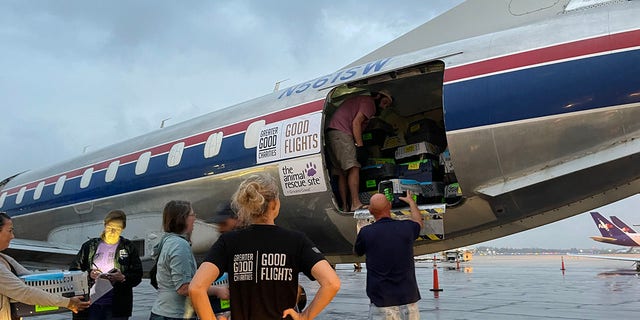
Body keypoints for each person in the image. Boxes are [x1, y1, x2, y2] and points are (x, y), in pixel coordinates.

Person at [189, 173, 341, 320]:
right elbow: (331, 283)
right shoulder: (296, 240)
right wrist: (305, 316)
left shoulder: (228, 241)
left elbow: (196, 288)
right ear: (274, 204)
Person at [0, 212, 90, 320]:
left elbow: (33, 282)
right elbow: (25, 292)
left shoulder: (5, 259)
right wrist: (68, 303)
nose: (12, 236)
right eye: (9, 231)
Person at [354, 191, 424, 320]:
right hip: (408, 299)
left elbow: (358, 252)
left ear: (370, 210)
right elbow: (418, 222)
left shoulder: (366, 233)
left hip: (382, 301)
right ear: (390, 206)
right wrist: (411, 203)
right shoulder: (406, 228)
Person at [69, 210, 143, 320]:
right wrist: (89, 274)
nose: (112, 231)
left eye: (117, 228)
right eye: (110, 227)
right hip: (90, 304)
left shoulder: (128, 247)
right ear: (105, 225)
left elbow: (137, 275)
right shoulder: (90, 246)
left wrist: (123, 278)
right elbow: (74, 270)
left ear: (123, 228)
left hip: (117, 306)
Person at [326, 90, 393, 211]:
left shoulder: (359, 102)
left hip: (333, 134)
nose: (384, 107)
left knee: (341, 172)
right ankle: (355, 203)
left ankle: (345, 206)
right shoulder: (370, 103)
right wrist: (360, 147)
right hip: (342, 133)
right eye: (384, 102)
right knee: (354, 167)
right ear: (377, 96)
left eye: (387, 106)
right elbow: (356, 123)